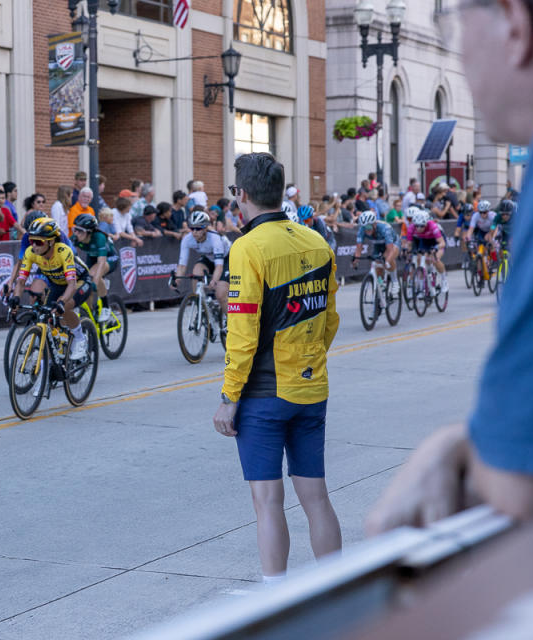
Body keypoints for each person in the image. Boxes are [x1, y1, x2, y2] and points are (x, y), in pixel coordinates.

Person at [366, 0, 533, 534]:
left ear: (515, 25)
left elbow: (520, 485)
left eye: (457, 24)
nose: (458, 51)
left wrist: (453, 447)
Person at [212, 152, 341, 584]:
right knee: (316, 497)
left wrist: (229, 397)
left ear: (241, 195)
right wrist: (307, 359)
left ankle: (276, 599)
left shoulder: (246, 248)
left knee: (267, 502)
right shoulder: (317, 241)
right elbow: (330, 320)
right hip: (311, 387)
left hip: (263, 395)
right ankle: (338, 590)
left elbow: (242, 332)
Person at [8, 218, 92, 359]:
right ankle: (60, 344)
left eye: (39, 242)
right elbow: (21, 281)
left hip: (80, 281)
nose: (34, 246)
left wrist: (62, 302)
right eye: (31, 241)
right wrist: (16, 298)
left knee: (65, 306)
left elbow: (71, 284)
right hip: (57, 284)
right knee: (46, 315)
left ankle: (80, 338)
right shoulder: (31, 253)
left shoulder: (63, 251)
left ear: (51, 241)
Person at [173, 210, 230, 311]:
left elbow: (219, 266)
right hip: (209, 257)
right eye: (192, 228)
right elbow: (182, 265)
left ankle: (230, 322)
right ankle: (200, 305)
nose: (194, 231)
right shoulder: (187, 239)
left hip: (226, 258)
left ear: (205, 228)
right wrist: (176, 280)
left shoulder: (215, 239)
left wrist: (214, 281)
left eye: (198, 228)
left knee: (220, 294)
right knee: (196, 273)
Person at [71, 213, 118, 322]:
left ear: (88, 232)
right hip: (92, 257)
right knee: (85, 284)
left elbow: (101, 263)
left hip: (109, 258)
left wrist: (95, 283)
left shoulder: (99, 237)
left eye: (79, 230)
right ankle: (89, 316)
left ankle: (106, 307)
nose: (76, 233)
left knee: (92, 277)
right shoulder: (76, 238)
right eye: (75, 229)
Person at [353, 210, 399, 298]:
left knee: (387, 258)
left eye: (369, 226)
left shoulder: (385, 229)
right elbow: (358, 248)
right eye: (364, 227)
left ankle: (395, 282)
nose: (367, 229)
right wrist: (356, 260)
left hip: (393, 243)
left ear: (374, 224)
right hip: (378, 245)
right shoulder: (362, 230)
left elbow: (390, 250)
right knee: (377, 263)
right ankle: (381, 284)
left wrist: (387, 262)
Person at [405, 207, 448, 292]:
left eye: (422, 226)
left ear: (426, 224)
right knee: (419, 259)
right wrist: (407, 253)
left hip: (436, 241)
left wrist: (436, 248)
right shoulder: (411, 227)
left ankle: (444, 279)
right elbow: (409, 244)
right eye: (417, 226)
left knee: (435, 259)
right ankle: (422, 286)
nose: (419, 228)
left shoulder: (433, 226)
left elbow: (442, 243)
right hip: (424, 240)